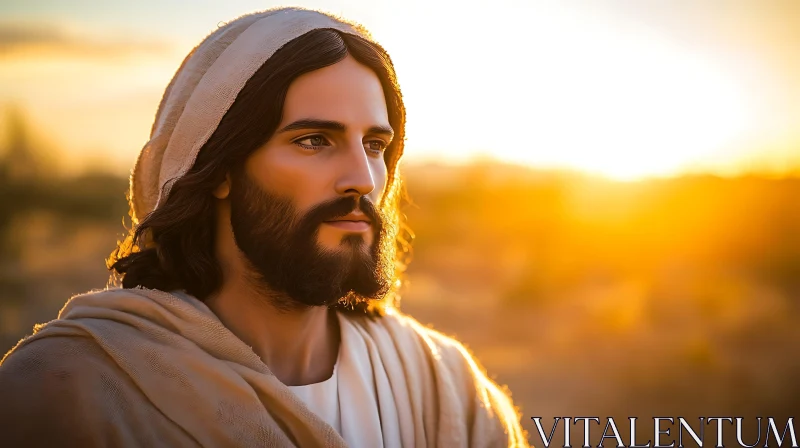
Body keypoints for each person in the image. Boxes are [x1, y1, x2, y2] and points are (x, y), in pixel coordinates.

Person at [0, 7, 529, 447]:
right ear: (218, 168)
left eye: (375, 145)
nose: (362, 179)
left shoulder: (443, 385)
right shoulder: (67, 390)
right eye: (313, 140)